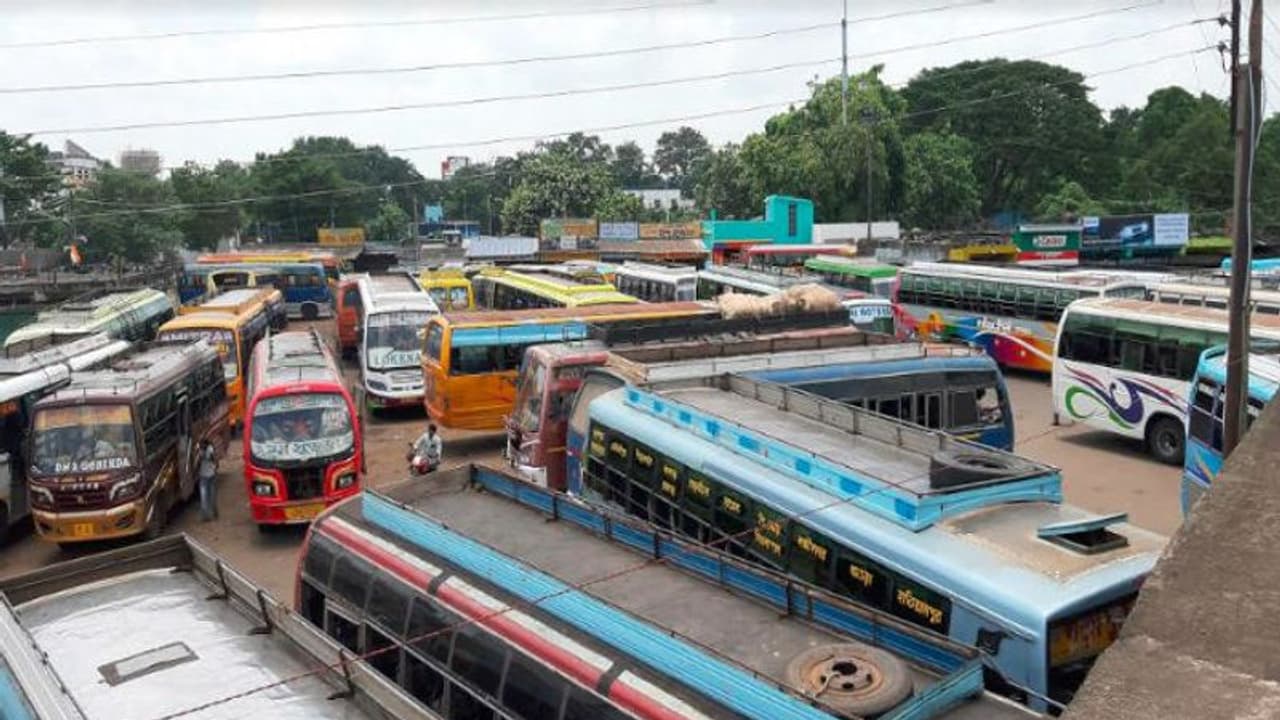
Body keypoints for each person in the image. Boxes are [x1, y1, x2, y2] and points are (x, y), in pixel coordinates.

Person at [197, 442, 219, 521]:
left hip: (204, 476)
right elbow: (215, 461)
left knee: (204, 497)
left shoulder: (202, 451)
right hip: (211, 475)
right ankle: (214, 512)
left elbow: (199, 463)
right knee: (212, 496)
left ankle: (206, 516)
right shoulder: (210, 449)